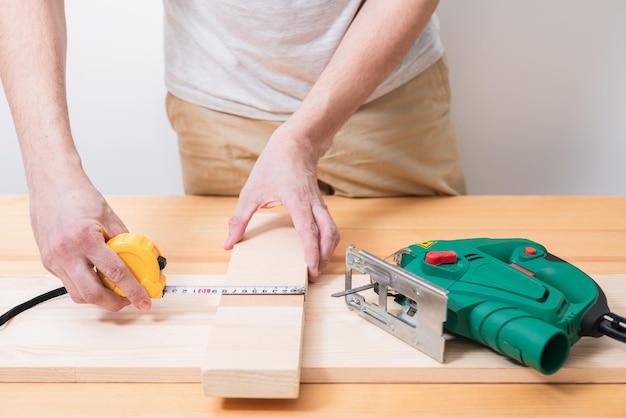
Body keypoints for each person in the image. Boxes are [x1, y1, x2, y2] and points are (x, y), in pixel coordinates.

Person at [0, 1, 465, 313]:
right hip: (217, 109)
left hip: (383, 96)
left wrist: (304, 138)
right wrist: (50, 178)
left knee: (438, 294)